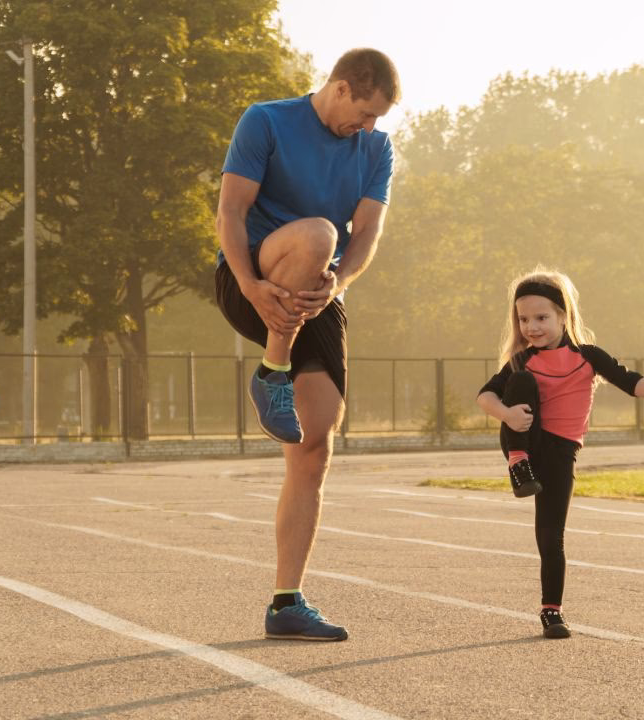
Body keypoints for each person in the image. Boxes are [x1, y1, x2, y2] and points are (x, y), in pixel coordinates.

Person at [214, 48, 400, 641]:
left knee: (313, 444)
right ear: (341, 88)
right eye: (364, 113)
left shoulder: (377, 148)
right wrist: (249, 283)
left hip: (319, 291)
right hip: (253, 272)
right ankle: (272, 370)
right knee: (321, 232)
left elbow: (367, 232)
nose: (368, 127)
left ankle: (286, 602)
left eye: (378, 119)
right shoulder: (265, 120)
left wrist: (337, 285)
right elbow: (231, 210)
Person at [476, 268, 644, 639]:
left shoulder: (587, 356)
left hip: (561, 453)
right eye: (524, 320)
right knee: (520, 381)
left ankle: (551, 612)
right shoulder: (523, 361)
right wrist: (507, 414)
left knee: (550, 535)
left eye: (541, 318)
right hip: (526, 440)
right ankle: (518, 465)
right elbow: (486, 397)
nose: (532, 327)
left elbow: (627, 378)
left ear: (563, 315)